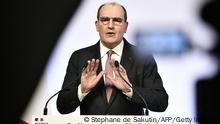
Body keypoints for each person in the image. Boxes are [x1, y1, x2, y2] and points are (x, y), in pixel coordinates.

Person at [57, 2, 168, 115]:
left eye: (117, 20)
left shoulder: (143, 58)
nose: (110, 25)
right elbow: (62, 106)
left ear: (125, 26)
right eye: (105, 20)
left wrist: (129, 89)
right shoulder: (79, 57)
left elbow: (161, 102)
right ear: (97, 25)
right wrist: (82, 90)